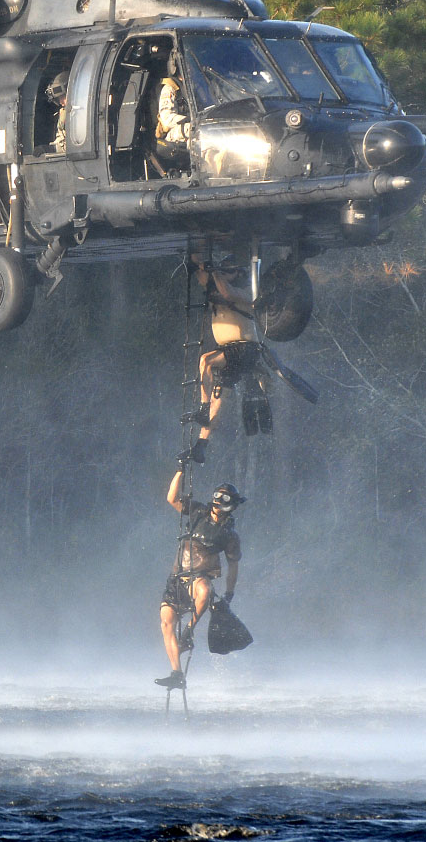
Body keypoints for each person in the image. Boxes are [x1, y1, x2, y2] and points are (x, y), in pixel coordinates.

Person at [157, 467, 243, 689]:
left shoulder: (229, 535)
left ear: (230, 506)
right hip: (177, 578)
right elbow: (171, 498)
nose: (218, 502)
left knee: (205, 591)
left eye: (224, 499)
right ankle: (177, 674)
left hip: (199, 577)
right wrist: (181, 470)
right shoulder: (198, 513)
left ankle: (189, 631)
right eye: (217, 496)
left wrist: (229, 594)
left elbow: (233, 566)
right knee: (166, 622)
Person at [183, 258, 269, 462]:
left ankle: (203, 410)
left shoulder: (247, 292)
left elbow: (228, 293)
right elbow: (203, 276)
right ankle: (202, 445)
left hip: (245, 348)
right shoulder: (216, 285)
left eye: (226, 271)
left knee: (206, 360)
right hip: (230, 350)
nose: (221, 274)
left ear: (238, 274)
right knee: (218, 396)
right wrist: (199, 264)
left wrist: (214, 272)